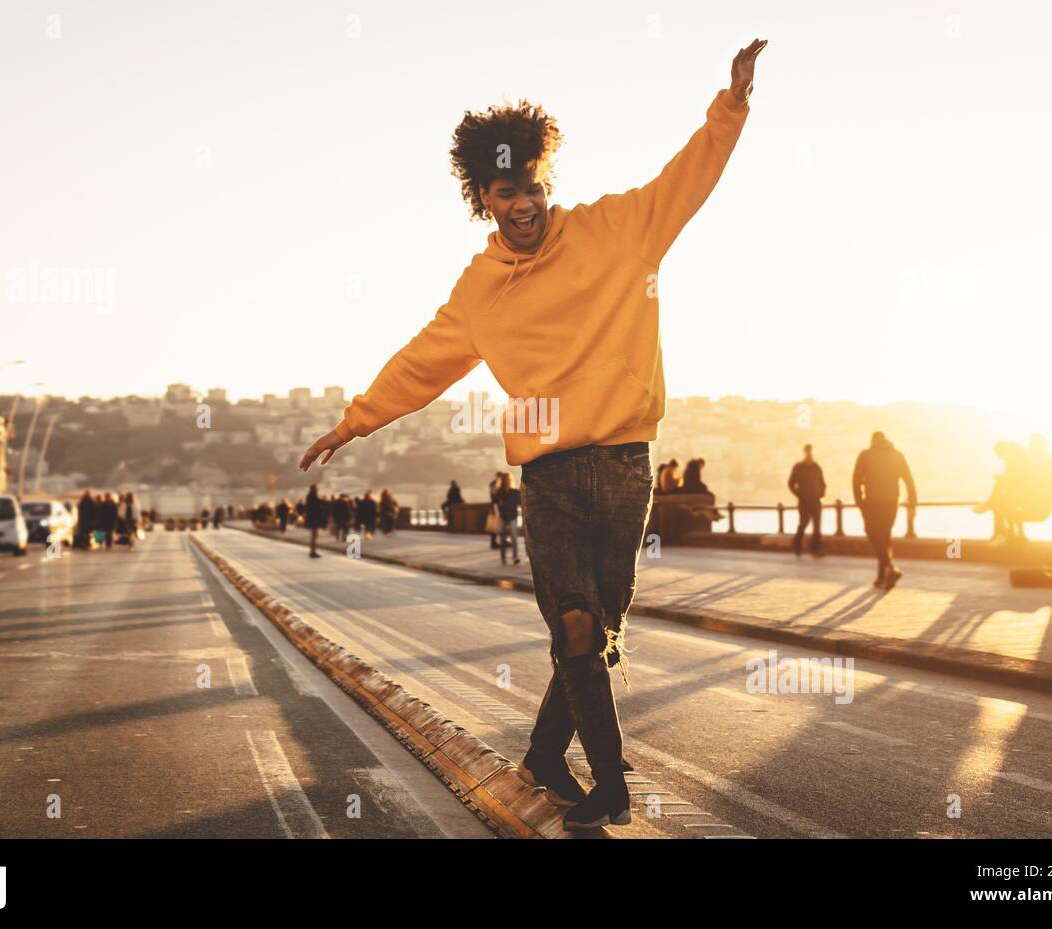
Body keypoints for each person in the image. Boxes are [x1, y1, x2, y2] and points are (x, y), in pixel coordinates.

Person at [299, 39, 765, 831]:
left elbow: (689, 181)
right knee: (576, 624)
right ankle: (610, 782)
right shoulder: (479, 292)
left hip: (624, 464)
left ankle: (545, 756)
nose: (527, 204)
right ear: (483, 196)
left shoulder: (617, 229)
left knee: (597, 633)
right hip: (547, 476)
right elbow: (421, 365)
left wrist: (731, 105)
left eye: (536, 187)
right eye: (509, 191)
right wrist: (354, 421)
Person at [852, 432, 916, 589]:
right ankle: (882, 576)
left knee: (873, 533)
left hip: (872, 503)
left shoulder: (865, 455)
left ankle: (890, 569)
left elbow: (856, 481)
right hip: (891, 502)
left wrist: (860, 502)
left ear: (873, 440)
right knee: (885, 536)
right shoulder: (897, 455)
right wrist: (913, 503)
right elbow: (909, 480)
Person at [788, 444, 826, 557]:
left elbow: (822, 482)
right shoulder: (798, 467)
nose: (810, 454)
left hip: (816, 500)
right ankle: (797, 542)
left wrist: (821, 493)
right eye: (807, 451)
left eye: (811, 451)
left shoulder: (816, 467)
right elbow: (791, 483)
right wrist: (800, 495)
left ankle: (816, 549)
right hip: (804, 501)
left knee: (817, 526)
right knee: (804, 522)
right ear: (804, 452)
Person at [497, 472, 522, 565]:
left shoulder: (515, 492)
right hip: (502, 517)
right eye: (505, 479)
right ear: (503, 481)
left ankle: (515, 557)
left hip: (513, 516)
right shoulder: (499, 492)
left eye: (508, 479)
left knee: (514, 537)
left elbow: (520, 504)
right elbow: (495, 503)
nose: (507, 481)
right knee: (502, 538)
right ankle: (503, 557)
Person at [305, 484, 327, 558]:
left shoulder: (311, 496)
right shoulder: (312, 496)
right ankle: (313, 552)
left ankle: (313, 551)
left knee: (314, 536)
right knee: (314, 536)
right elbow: (317, 505)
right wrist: (323, 501)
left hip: (312, 519)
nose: (318, 489)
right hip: (314, 519)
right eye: (316, 488)